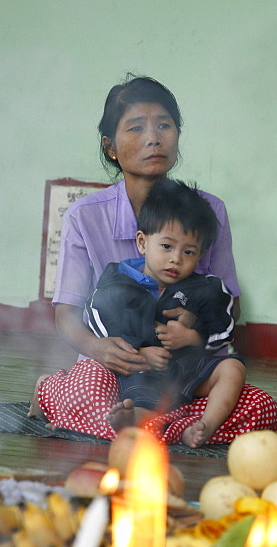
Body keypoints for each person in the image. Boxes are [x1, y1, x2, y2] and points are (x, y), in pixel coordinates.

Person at [31, 74, 277, 445]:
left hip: (186, 372)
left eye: (164, 125)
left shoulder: (209, 210)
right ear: (110, 146)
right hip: (114, 371)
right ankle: (59, 394)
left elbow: (230, 305)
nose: (154, 138)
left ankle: (148, 427)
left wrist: (192, 328)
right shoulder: (84, 217)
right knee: (87, 390)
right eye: (136, 127)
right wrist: (101, 349)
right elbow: (66, 316)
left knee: (259, 409)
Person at [85, 179, 246, 447]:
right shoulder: (119, 283)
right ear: (142, 242)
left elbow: (225, 327)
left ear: (200, 255)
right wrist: (138, 353)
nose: (176, 259)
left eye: (189, 251)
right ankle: (134, 422)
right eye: (167, 246)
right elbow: (97, 320)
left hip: (189, 376)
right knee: (121, 395)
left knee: (234, 368)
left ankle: (204, 425)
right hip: (139, 376)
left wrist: (193, 338)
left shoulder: (205, 288)